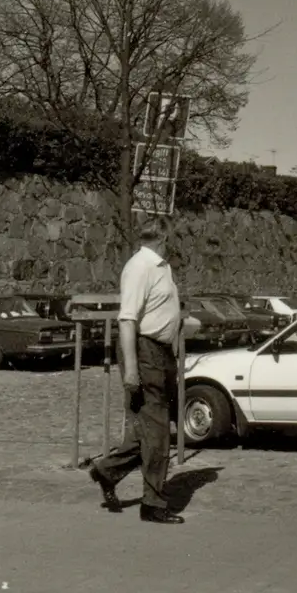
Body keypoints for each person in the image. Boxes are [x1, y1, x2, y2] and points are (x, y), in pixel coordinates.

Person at [88, 217, 186, 525]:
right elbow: (127, 320)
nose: (173, 243)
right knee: (156, 430)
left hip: (160, 351)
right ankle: (152, 504)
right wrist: (131, 368)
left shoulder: (161, 267)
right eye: (172, 237)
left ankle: (106, 471)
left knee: (148, 427)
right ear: (163, 237)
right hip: (144, 352)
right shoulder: (140, 266)